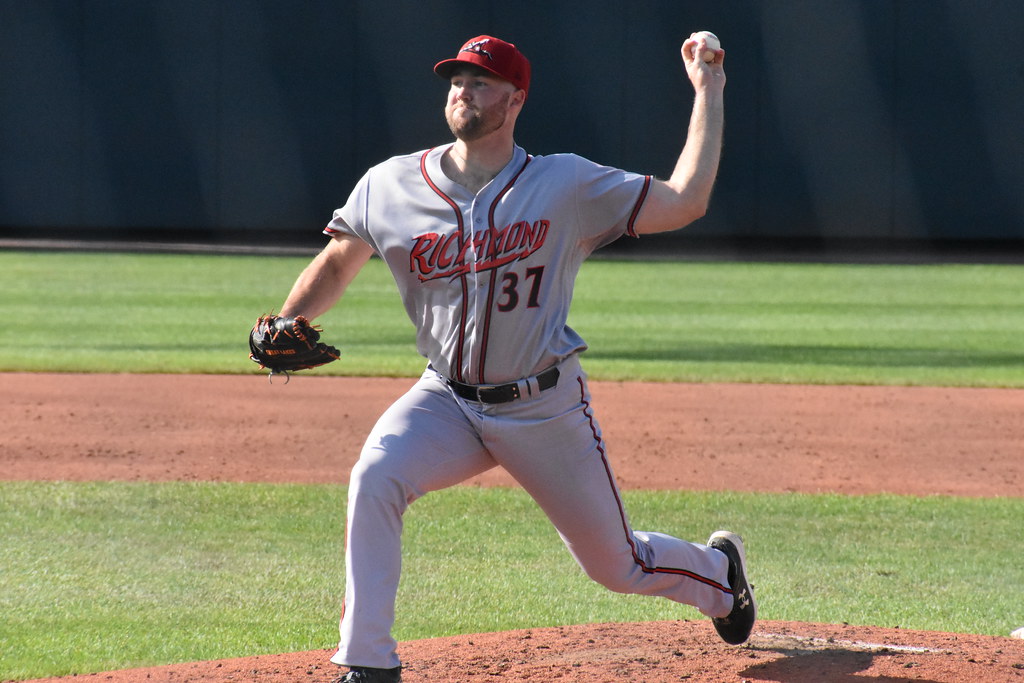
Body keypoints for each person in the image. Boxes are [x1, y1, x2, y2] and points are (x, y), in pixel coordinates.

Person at [273, 33, 753, 683]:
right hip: (445, 398)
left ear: (516, 99)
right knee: (375, 475)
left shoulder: (565, 184)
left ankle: (720, 574)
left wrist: (708, 90)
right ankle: (368, 662)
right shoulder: (389, 184)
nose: (463, 92)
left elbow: (686, 199)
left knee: (617, 566)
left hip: (543, 407)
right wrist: (289, 318)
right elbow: (337, 261)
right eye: (456, 81)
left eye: (481, 82)